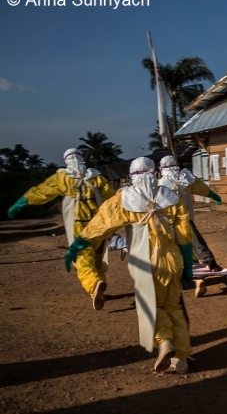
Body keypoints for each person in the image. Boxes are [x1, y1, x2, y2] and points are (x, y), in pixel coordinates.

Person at [64, 157, 194, 374]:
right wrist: (187, 266)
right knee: (174, 307)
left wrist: (75, 247)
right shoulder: (172, 197)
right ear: (155, 173)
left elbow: (99, 226)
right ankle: (182, 360)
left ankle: (164, 342)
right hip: (173, 259)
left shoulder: (125, 198)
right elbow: (185, 236)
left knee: (149, 306)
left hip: (145, 261)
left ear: (132, 176)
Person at [7, 148, 115, 310]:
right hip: (97, 225)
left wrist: (22, 201)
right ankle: (99, 285)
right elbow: (110, 201)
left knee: (81, 259)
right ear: (82, 158)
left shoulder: (62, 178)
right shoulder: (97, 177)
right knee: (97, 257)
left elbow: (42, 192)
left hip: (78, 226)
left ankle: (94, 284)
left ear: (66, 161)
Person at [158, 155, 223, 297]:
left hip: (166, 222)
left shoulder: (159, 184)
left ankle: (192, 277)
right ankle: (207, 263)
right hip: (184, 218)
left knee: (174, 250)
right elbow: (202, 188)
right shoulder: (185, 179)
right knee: (192, 240)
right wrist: (215, 196)